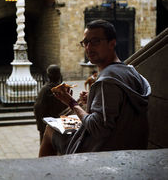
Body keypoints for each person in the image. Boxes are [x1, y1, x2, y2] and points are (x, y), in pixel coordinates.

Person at [39, 19, 151, 156]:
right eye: (86, 42)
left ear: (112, 43)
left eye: (96, 41)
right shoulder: (130, 70)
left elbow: (98, 129)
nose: (89, 47)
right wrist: (92, 100)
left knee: (50, 130)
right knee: (59, 123)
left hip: (106, 147)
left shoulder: (107, 81)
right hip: (132, 140)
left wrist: (71, 102)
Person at [34, 65, 68, 143]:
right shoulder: (47, 90)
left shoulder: (58, 89)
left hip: (58, 124)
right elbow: (39, 108)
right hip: (48, 124)